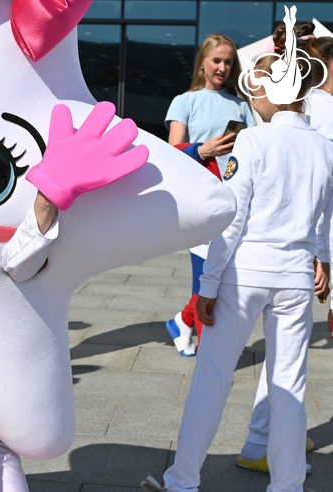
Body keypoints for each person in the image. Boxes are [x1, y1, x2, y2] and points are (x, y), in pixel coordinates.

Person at [141, 17, 333, 491]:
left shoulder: (252, 138)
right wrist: (324, 262)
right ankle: (288, 485)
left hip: (245, 274)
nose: (253, 95)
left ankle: (183, 480)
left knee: (213, 380)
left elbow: (233, 216)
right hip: (295, 278)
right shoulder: (324, 148)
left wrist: (207, 285)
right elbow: (326, 217)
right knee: (289, 386)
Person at [236, 20, 333, 474]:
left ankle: (264, 444)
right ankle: (268, 450)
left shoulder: (300, 111)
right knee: (289, 367)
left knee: (286, 363)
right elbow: (319, 197)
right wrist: (324, 255)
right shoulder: (319, 113)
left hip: (281, 258)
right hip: (294, 257)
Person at [164, 33, 256, 357]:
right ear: (202, 62)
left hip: (236, 198)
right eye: (216, 60)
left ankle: (183, 321)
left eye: (228, 62)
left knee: (222, 275)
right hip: (201, 198)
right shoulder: (184, 101)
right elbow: (172, 153)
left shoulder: (242, 105)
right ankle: (208, 355)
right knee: (206, 275)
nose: (222, 67)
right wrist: (203, 150)